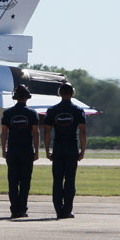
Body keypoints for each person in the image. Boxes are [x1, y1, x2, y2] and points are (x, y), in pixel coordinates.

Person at [44, 83, 87, 219]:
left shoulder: (52, 110)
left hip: (58, 149)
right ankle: (67, 210)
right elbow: (83, 132)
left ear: (59, 93)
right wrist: (82, 151)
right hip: (71, 149)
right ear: (72, 93)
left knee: (57, 181)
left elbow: (47, 132)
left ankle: (58, 210)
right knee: (70, 181)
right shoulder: (78, 110)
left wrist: (47, 151)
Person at [1, 84, 39, 219]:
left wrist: (3, 149)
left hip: (12, 151)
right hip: (26, 151)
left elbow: (4, 133)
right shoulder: (32, 113)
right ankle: (22, 209)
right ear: (27, 97)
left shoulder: (8, 113)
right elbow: (36, 132)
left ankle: (14, 209)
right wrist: (37, 151)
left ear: (15, 97)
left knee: (12, 182)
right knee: (25, 182)